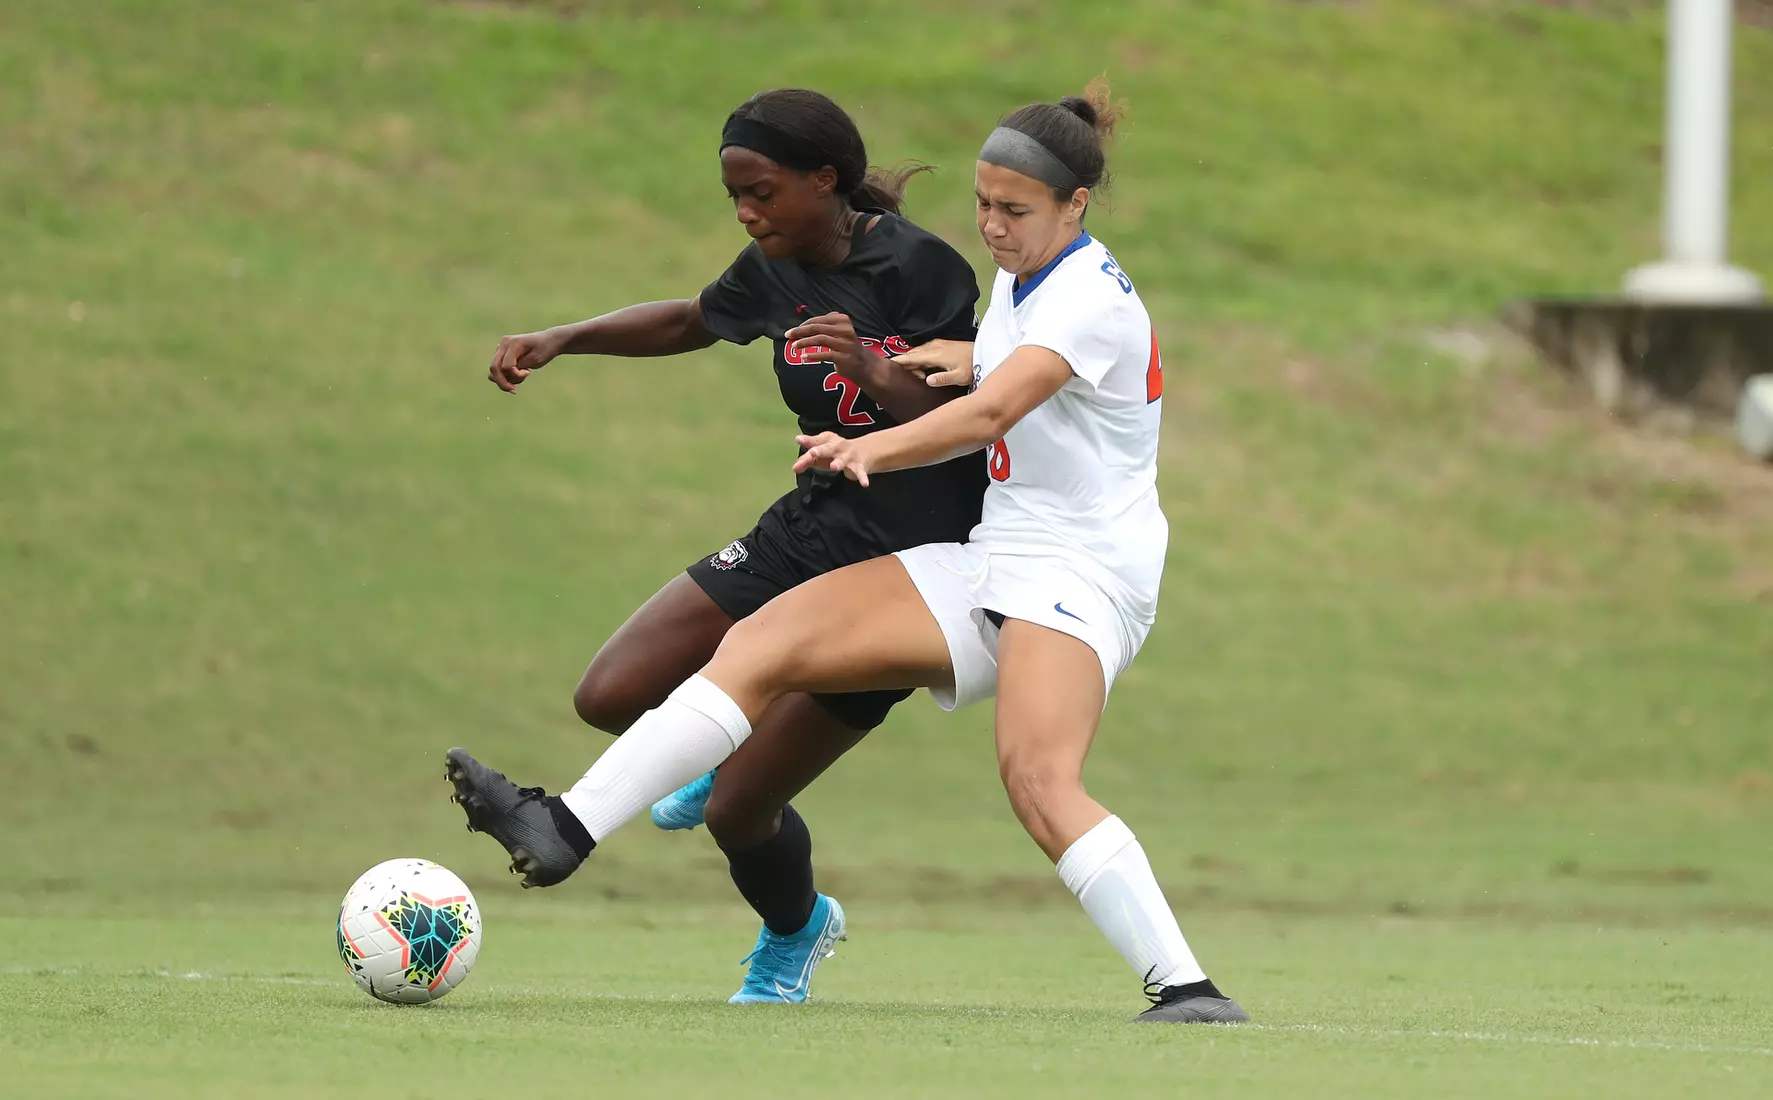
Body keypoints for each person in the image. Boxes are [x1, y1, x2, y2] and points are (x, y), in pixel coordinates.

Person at [447, 81, 1249, 1024]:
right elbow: (990, 370)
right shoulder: (1026, 275)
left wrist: (866, 439)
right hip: (992, 553)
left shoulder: (1087, 296)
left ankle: (1188, 990)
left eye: (1014, 210)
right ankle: (564, 828)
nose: (990, 225)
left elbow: (990, 413)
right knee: (758, 645)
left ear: (1075, 206)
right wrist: (948, 357)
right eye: (983, 204)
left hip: (1081, 576)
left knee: (1036, 780)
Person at [462, 88, 987, 1004]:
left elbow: (969, 423)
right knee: (610, 693)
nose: (746, 212)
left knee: (742, 807)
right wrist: (564, 337)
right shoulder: (770, 269)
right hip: (808, 529)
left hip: (903, 572)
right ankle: (707, 745)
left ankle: (796, 934)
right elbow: (691, 320)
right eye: (734, 196)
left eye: (762, 192)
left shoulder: (921, 269)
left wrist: (873, 371)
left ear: (826, 181)